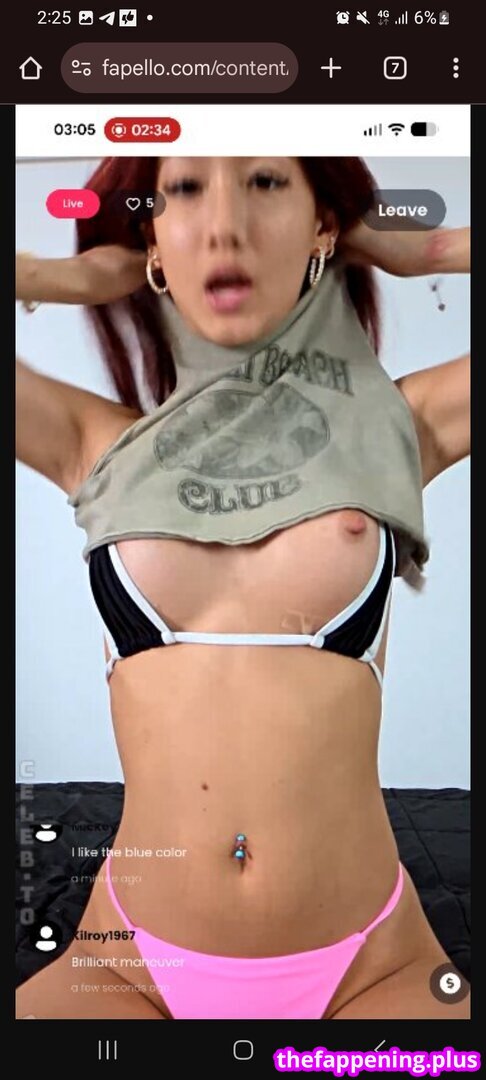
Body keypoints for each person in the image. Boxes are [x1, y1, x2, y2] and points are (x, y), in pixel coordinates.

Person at [16, 156, 470, 1020]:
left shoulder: (401, 427)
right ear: (152, 242)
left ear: (323, 226)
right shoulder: (94, 443)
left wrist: (426, 250)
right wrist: (63, 278)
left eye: (265, 183)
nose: (224, 225)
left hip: (371, 967)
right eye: (185, 190)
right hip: (128, 966)